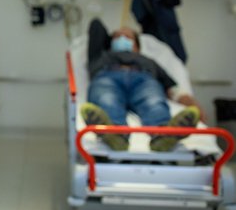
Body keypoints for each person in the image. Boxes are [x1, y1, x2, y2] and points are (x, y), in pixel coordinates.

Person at [80, 18, 202, 152]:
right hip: (108, 77)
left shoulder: (148, 61)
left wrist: (188, 100)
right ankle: (115, 135)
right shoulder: (100, 56)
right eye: (117, 37)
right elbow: (96, 25)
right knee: (107, 99)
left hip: (143, 80)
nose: (121, 38)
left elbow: (171, 86)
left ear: (137, 46)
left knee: (153, 102)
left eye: (127, 37)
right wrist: (110, 38)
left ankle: (163, 135)